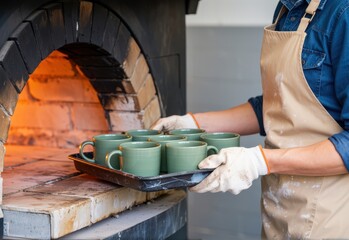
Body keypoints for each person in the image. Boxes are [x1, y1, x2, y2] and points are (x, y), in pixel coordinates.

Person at [151, 0, 349, 238]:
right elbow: (275, 108)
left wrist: (259, 161)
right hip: (280, 209)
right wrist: (192, 123)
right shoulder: (286, 10)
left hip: (329, 216)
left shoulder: (343, 13)